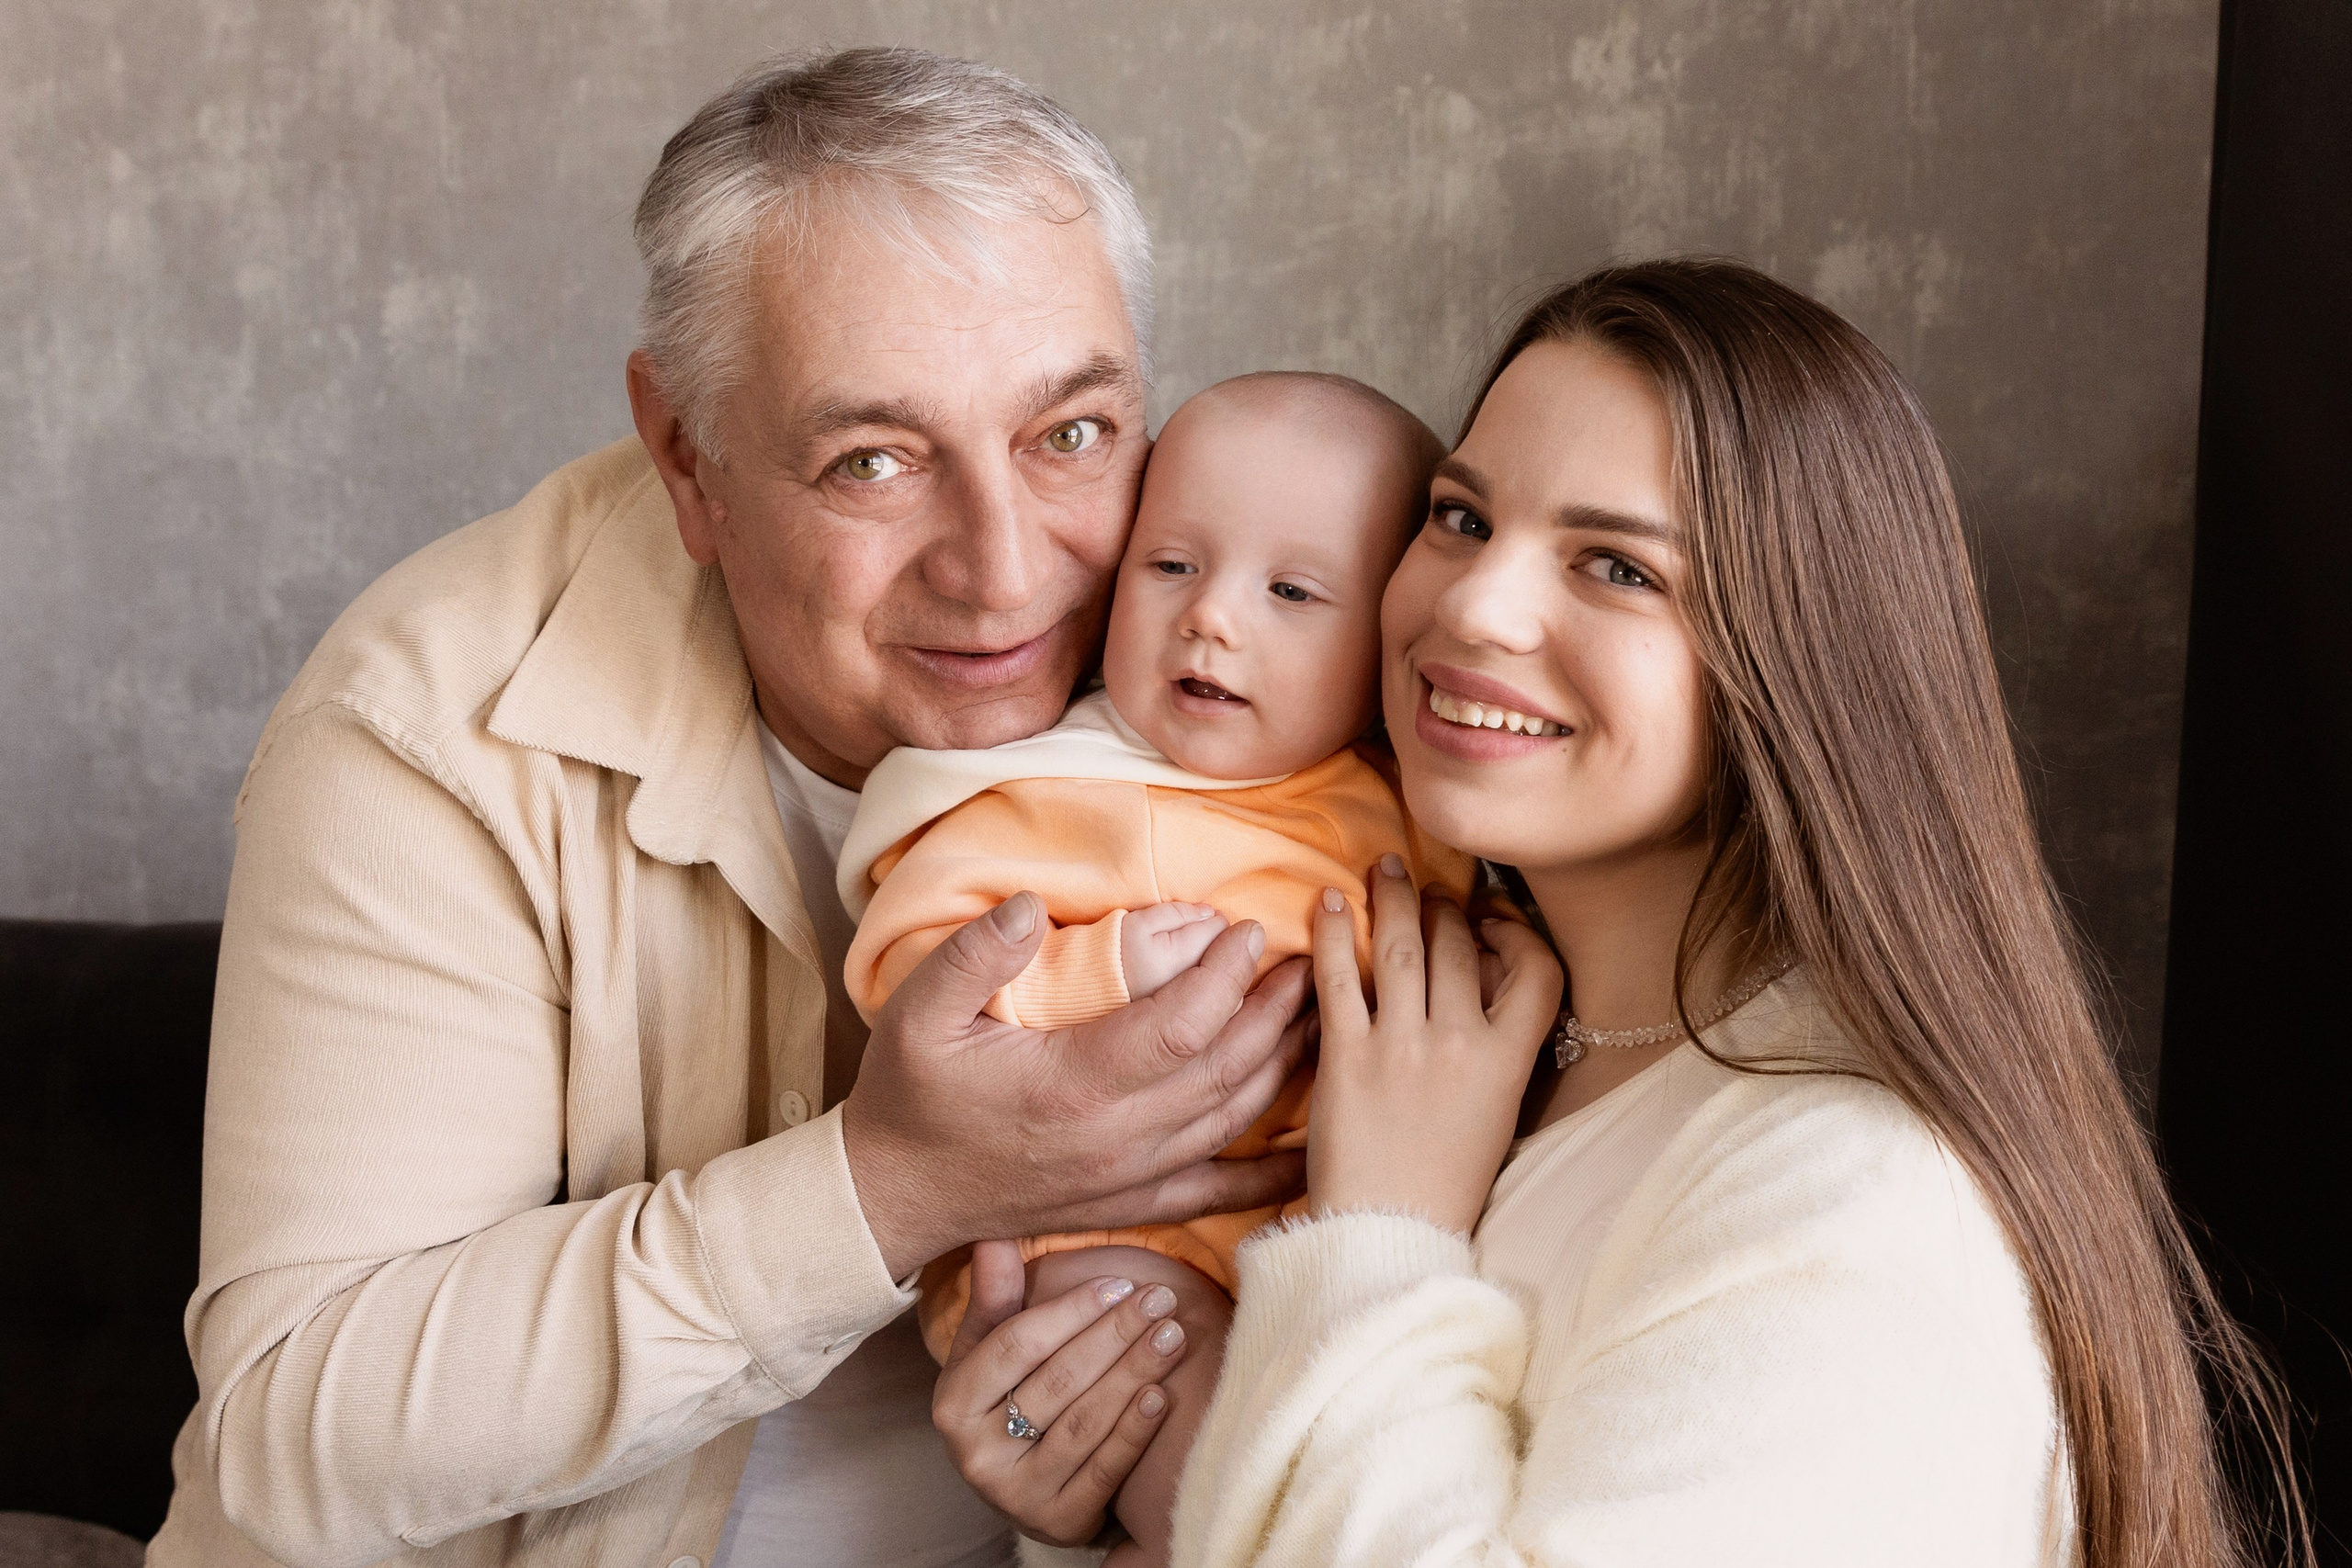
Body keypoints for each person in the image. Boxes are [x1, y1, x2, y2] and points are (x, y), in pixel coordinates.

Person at [932, 258, 2306, 1568]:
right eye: (1462, 518)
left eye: (1619, 568)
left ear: (1799, 664)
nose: (1475, 604)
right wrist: (1095, 1489)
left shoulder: (1845, 1200)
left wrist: (1386, 1235)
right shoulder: (1467, 1036)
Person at [150, 49, 1317, 1568]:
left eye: (1071, 434)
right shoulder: (429, 729)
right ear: (688, 459)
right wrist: (893, 1187)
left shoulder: (1276, 663)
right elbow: (300, 1433)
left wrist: (1096, 1498)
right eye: (874, 461)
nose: (1009, 570)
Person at [837, 371, 1471, 1564]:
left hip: (1302, 1235)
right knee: (1187, 1392)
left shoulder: (1402, 802)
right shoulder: (1080, 793)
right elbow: (917, 977)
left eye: (1291, 591)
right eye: (1170, 566)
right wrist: (1096, 972)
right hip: (1111, 1248)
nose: (1211, 619)